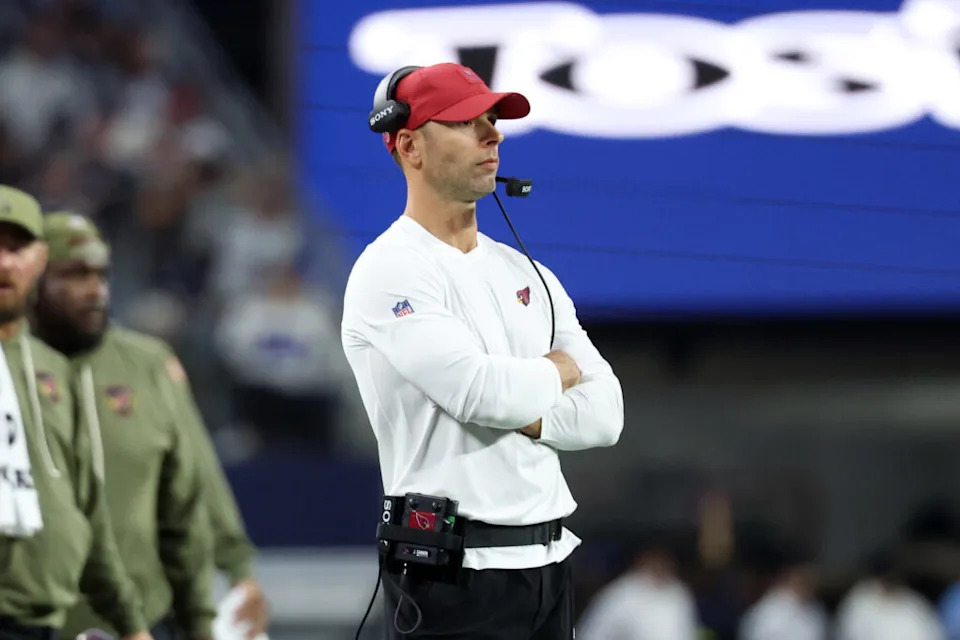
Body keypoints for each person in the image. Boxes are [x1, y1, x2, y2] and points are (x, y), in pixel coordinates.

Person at [341, 62, 624, 638]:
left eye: (492, 120)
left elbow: (607, 416)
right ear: (409, 145)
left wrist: (526, 409)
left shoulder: (527, 271)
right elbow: (483, 396)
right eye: (465, 122)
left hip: (548, 567)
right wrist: (559, 370)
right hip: (453, 580)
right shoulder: (390, 270)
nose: (492, 134)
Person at [30, 212, 268, 640]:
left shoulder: (149, 364)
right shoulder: (11, 365)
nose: (95, 290)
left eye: (102, 275)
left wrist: (239, 572)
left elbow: (197, 478)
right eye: (74, 274)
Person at [0, 186, 152, 640]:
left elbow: (90, 511)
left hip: (45, 622)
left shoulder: (56, 372)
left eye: (17, 247)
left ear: (41, 259)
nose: (5, 262)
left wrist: (131, 625)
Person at [576, 532, 700, 640]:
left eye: (665, 559)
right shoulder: (620, 595)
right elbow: (590, 634)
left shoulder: (679, 592)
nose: (661, 565)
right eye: (656, 559)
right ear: (642, 559)